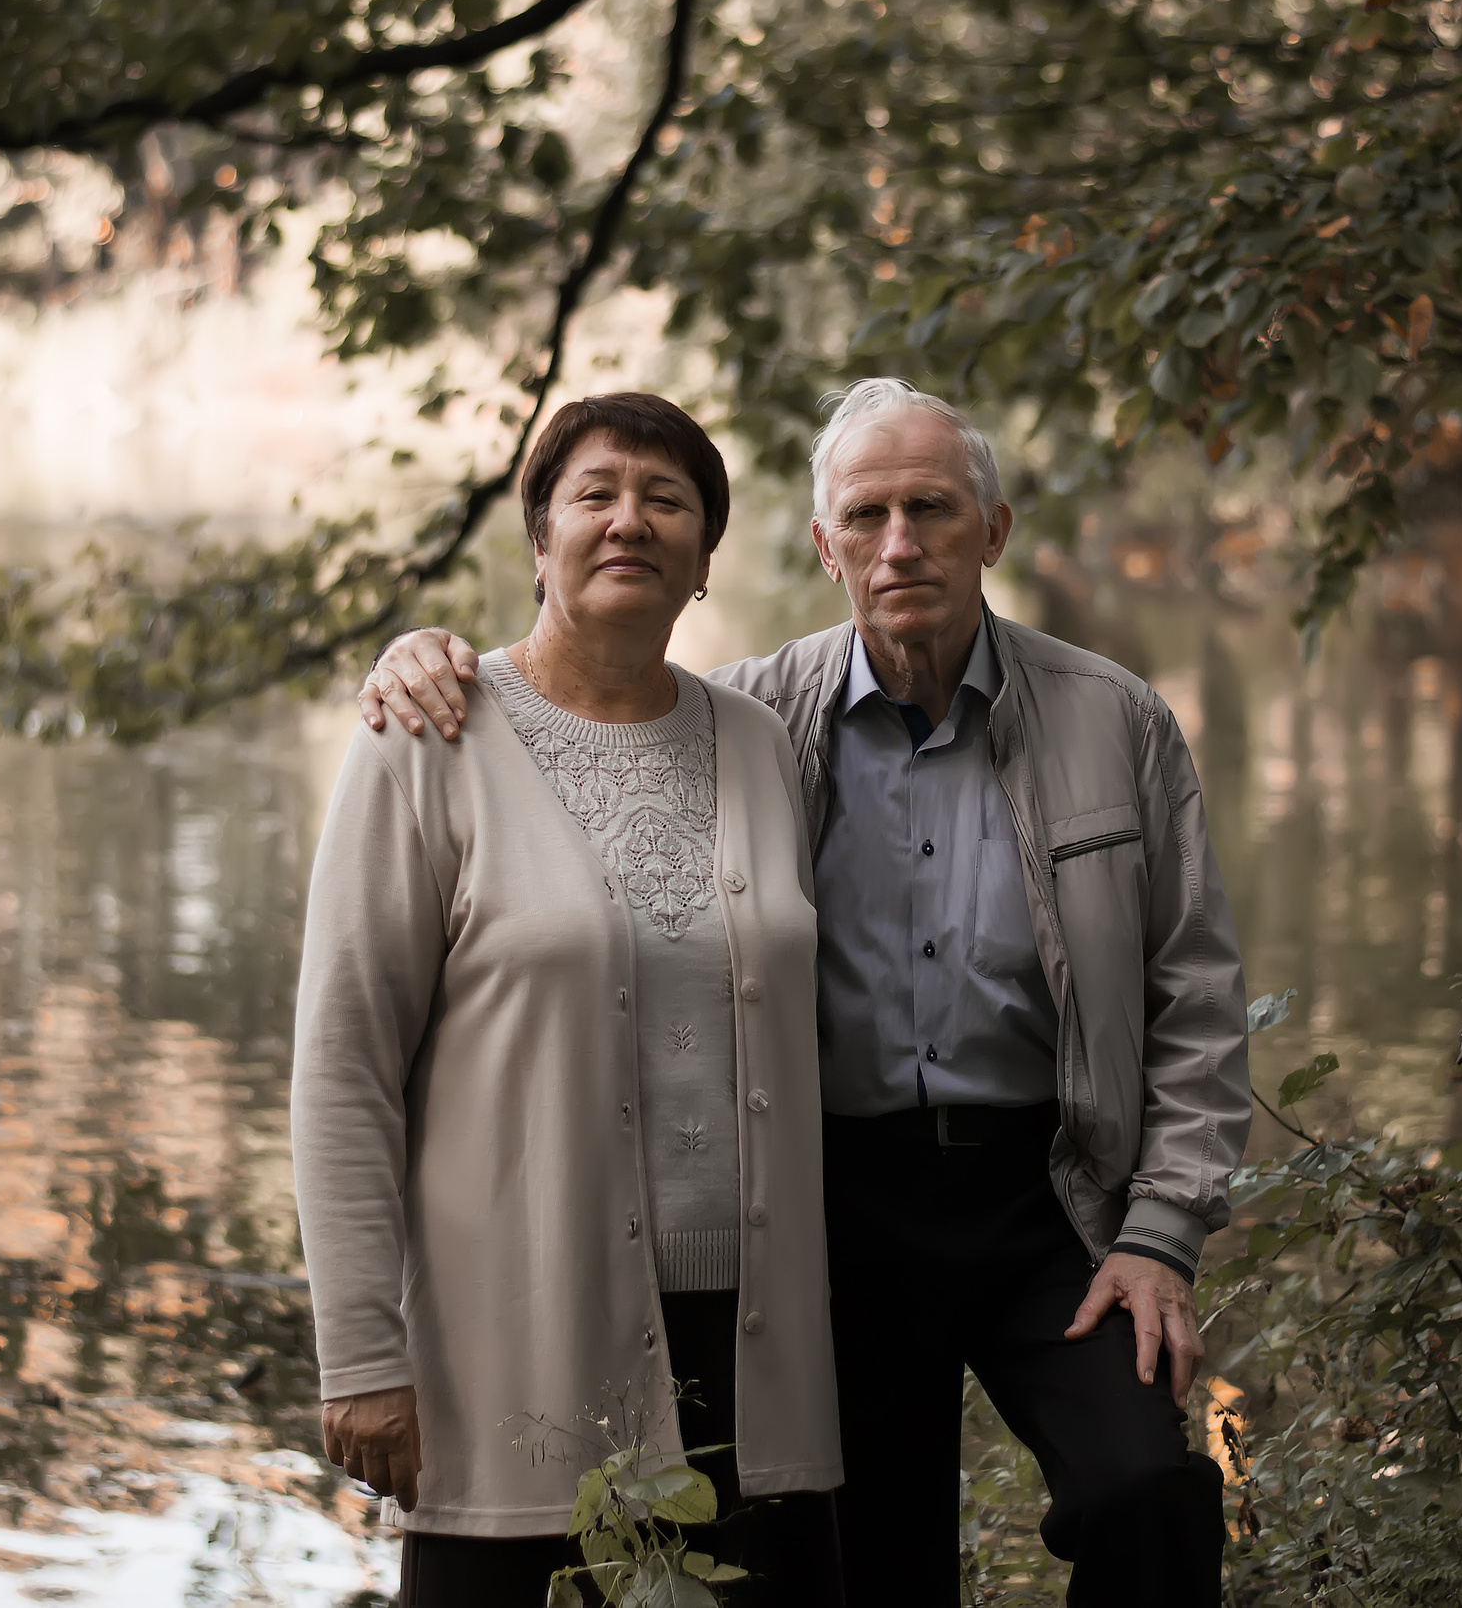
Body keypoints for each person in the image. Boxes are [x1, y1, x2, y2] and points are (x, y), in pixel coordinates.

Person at [360, 378, 1253, 1604]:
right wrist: (429, 656)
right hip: (835, 1207)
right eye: (868, 516)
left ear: (991, 532)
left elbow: (1194, 997)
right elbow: (589, 703)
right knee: (872, 1565)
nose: (901, 545)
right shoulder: (749, 724)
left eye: (933, 510)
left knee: (1146, 1491)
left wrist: (1161, 1234)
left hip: (1052, 1197)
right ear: (823, 545)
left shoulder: (1116, 721)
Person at [293, 393, 843, 1607]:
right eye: (593, 494)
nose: (628, 522)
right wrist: (363, 1356)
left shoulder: (760, 743)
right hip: (520, 1346)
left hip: (753, 1366)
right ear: (538, 538)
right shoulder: (422, 737)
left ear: (703, 559)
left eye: (667, 502)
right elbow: (342, 1070)